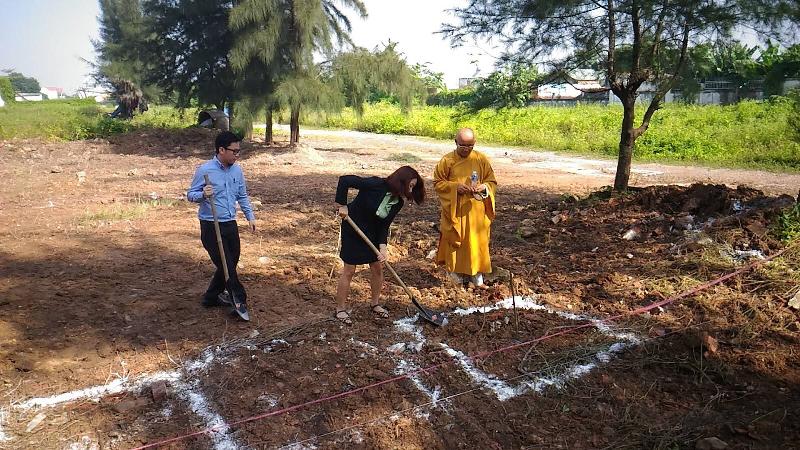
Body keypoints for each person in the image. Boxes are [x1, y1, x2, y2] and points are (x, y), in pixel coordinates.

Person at [334, 166, 426, 325]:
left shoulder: (398, 202)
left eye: (413, 187)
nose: (410, 190)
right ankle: (340, 309)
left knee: (377, 267)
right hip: (353, 228)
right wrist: (342, 205)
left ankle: (375, 303)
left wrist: (383, 246)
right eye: (410, 185)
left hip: (372, 234)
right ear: (402, 181)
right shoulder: (375, 184)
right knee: (349, 270)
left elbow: (384, 225)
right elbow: (345, 180)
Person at [187, 131, 256, 313]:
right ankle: (239, 299)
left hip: (229, 222)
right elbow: (190, 195)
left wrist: (250, 216)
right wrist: (203, 195)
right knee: (226, 264)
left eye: (238, 151)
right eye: (234, 151)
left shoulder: (237, 170)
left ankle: (211, 297)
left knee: (231, 261)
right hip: (211, 224)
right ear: (221, 150)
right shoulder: (205, 170)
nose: (237, 155)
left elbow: (242, 195)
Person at [434, 127, 497, 288]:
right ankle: (455, 277)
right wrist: (456, 188)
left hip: (477, 212)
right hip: (456, 211)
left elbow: (491, 182)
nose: (466, 149)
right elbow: (438, 183)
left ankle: (477, 278)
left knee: (477, 243)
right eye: (462, 145)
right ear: (456, 142)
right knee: (456, 242)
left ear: (474, 144)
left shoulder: (481, 159)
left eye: (470, 146)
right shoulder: (447, 161)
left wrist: (484, 188)